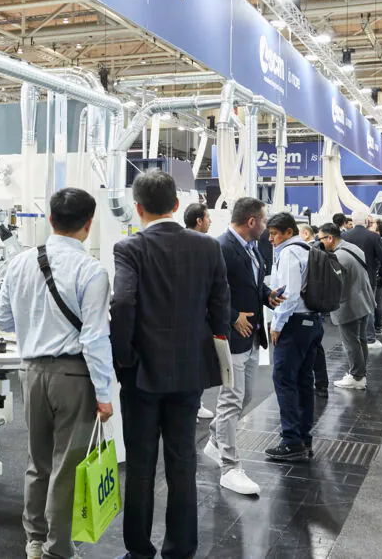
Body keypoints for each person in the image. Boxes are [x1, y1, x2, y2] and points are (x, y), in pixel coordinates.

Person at [111, 170, 231, 559]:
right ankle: (180, 549)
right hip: (189, 372)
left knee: (140, 466)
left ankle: (139, 551)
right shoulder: (208, 247)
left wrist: (124, 357)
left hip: (141, 375)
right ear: (177, 205)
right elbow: (220, 305)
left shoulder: (129, 248)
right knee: (183, 464)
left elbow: (122, 302)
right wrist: (211, 347)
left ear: (138, 208)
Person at [0, 188, 115, 559]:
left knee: (38, 461)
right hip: (74, 377)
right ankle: (58, 549)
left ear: (50, 219)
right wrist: (104, 394)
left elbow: (2, 320)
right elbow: (95, 338)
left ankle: (34, 539)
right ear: (88, 224)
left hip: (30, 373)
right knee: (67, 465)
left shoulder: (19, 263)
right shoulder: (91, 271)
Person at [205, 198, 282, 496]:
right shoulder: (220, 248)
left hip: (251, 335)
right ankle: (230, 466)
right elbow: (208, 293)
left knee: (245, 395)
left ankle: (215, 440)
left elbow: (252, 284)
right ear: (251, 221)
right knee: (231, 400)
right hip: (230, 336)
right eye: (263, 220)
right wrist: (233, 315)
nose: (266, 226)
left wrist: (267, 295)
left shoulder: (253, 248)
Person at [264, 212, 323, 462]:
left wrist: (277, 325)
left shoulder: (289, 253)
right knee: (303, 382)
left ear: (289, 232)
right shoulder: (308, 249)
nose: (271, 239)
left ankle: (291, 441)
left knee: (284, 380)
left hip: (294, 324)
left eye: (274, 234)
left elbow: (289, 295)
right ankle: (303, 439)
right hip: (312, 322)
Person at [318, 223, 374, 390]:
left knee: (351, 343)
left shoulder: (337, 257)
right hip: (364, 301)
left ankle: (356, 376)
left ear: (330, 238)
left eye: (320, 239)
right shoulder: (353, 248)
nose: (319, 243)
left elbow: (334, 285)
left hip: (349, 306)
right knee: (360, 340)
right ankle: (360, 374)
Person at [184, 204, 217, 421]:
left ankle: (195, 404)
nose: (210, 221)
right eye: (208, 217)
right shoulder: (197, 246)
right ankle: (190, 406)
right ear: (199, 221)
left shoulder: (206, 245)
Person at [342, 210, 382, 349]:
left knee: (349, 308)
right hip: (369, 278)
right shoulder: (373, 237)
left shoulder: (344, 236)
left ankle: (350, 339)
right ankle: (369, 338)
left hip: (347, 279)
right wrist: (381, 274)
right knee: (368, 308)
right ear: (367, 222)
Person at [298, 223, 329, 397]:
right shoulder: (319, 252)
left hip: (305, 308)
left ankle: (312, 384)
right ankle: (321, 384)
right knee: (316, 348)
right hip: (315, 307)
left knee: (309, 348)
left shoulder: (309, 253)